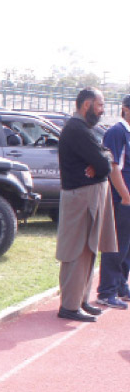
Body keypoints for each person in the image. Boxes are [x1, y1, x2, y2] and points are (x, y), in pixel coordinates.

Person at [55, 87, 117, 322]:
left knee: (89, 249)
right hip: (80, 197)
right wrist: (101, 160)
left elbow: (106, 157)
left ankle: (80, 301)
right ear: (87, 105)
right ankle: (69, 306)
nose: (102, 111)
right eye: (100, 105)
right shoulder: (76, 129)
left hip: (89, 195)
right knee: (76, 250)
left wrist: (103, 159)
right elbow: (102, 163)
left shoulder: (86, 130)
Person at [95, 94, 130, 309]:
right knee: (116, 244)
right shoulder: (117, 132)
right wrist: (125, 195)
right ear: (126, 109)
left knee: (127, 245)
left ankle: (120, 284)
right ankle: (106, 290)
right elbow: (113, 167)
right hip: (121, 199)